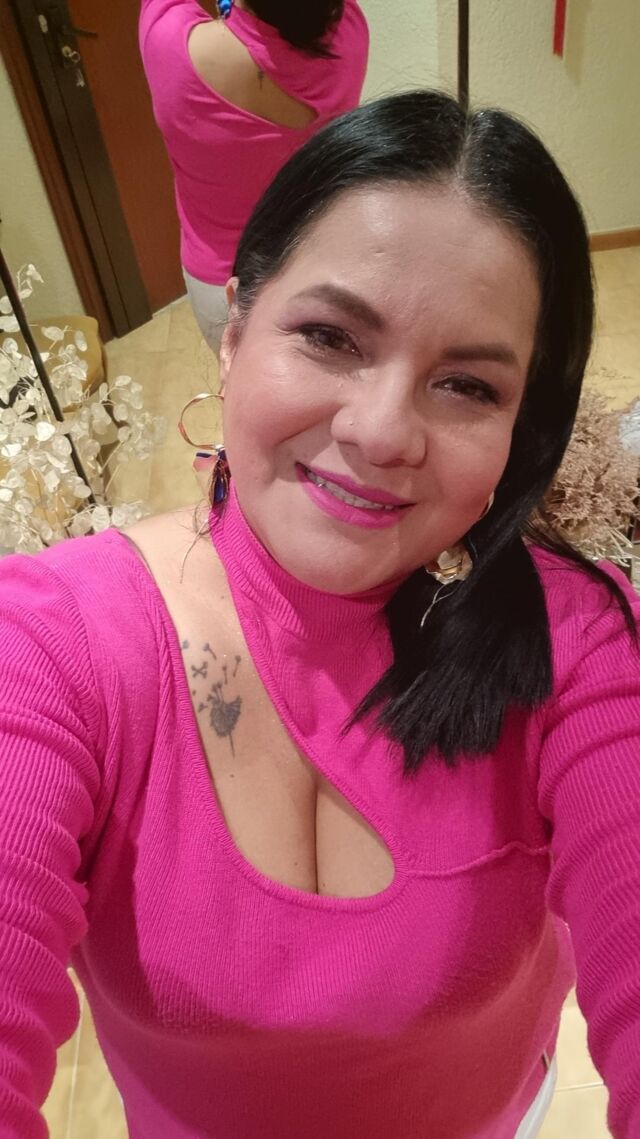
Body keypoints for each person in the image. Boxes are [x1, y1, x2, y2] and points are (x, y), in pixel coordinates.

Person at [1, 90, 639, 1139]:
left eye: (467, 386)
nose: (383, 431)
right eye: (331, 336)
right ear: (234, 330)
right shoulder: (50, 648)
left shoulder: (574, 645)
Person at [139, 0, 369, 350]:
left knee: (237, 379)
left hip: (221, 285)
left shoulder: (171, 43)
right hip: (317, 263)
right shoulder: (350, 31)